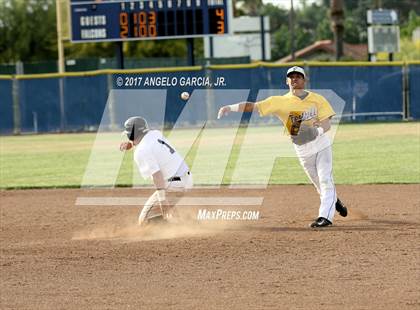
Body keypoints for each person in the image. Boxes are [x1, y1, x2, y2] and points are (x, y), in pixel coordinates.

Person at [217, 66, 347, 228]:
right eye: (291, 77)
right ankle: (335, 201)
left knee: (325, 179)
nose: (294, 79)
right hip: (302, 149)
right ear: (287, 81)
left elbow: (327, 123)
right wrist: (230, 107)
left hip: (321, 144)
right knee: (319, 184)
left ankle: (325, 217)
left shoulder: (317, 99)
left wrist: (317, 131)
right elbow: (253, 106)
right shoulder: (279, 101)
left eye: (298, 76)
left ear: (304, 80)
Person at [119, 116, 193, 226]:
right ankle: (183, 222)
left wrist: (162, 200)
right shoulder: (155, 133)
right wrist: (131, 144)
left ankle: (180, 228)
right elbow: (145, 139)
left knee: (144, 222)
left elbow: (157, 175)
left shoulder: (142, 151)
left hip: (174, 185)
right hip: (186, 179)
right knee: (159, 210)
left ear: (131, 134)